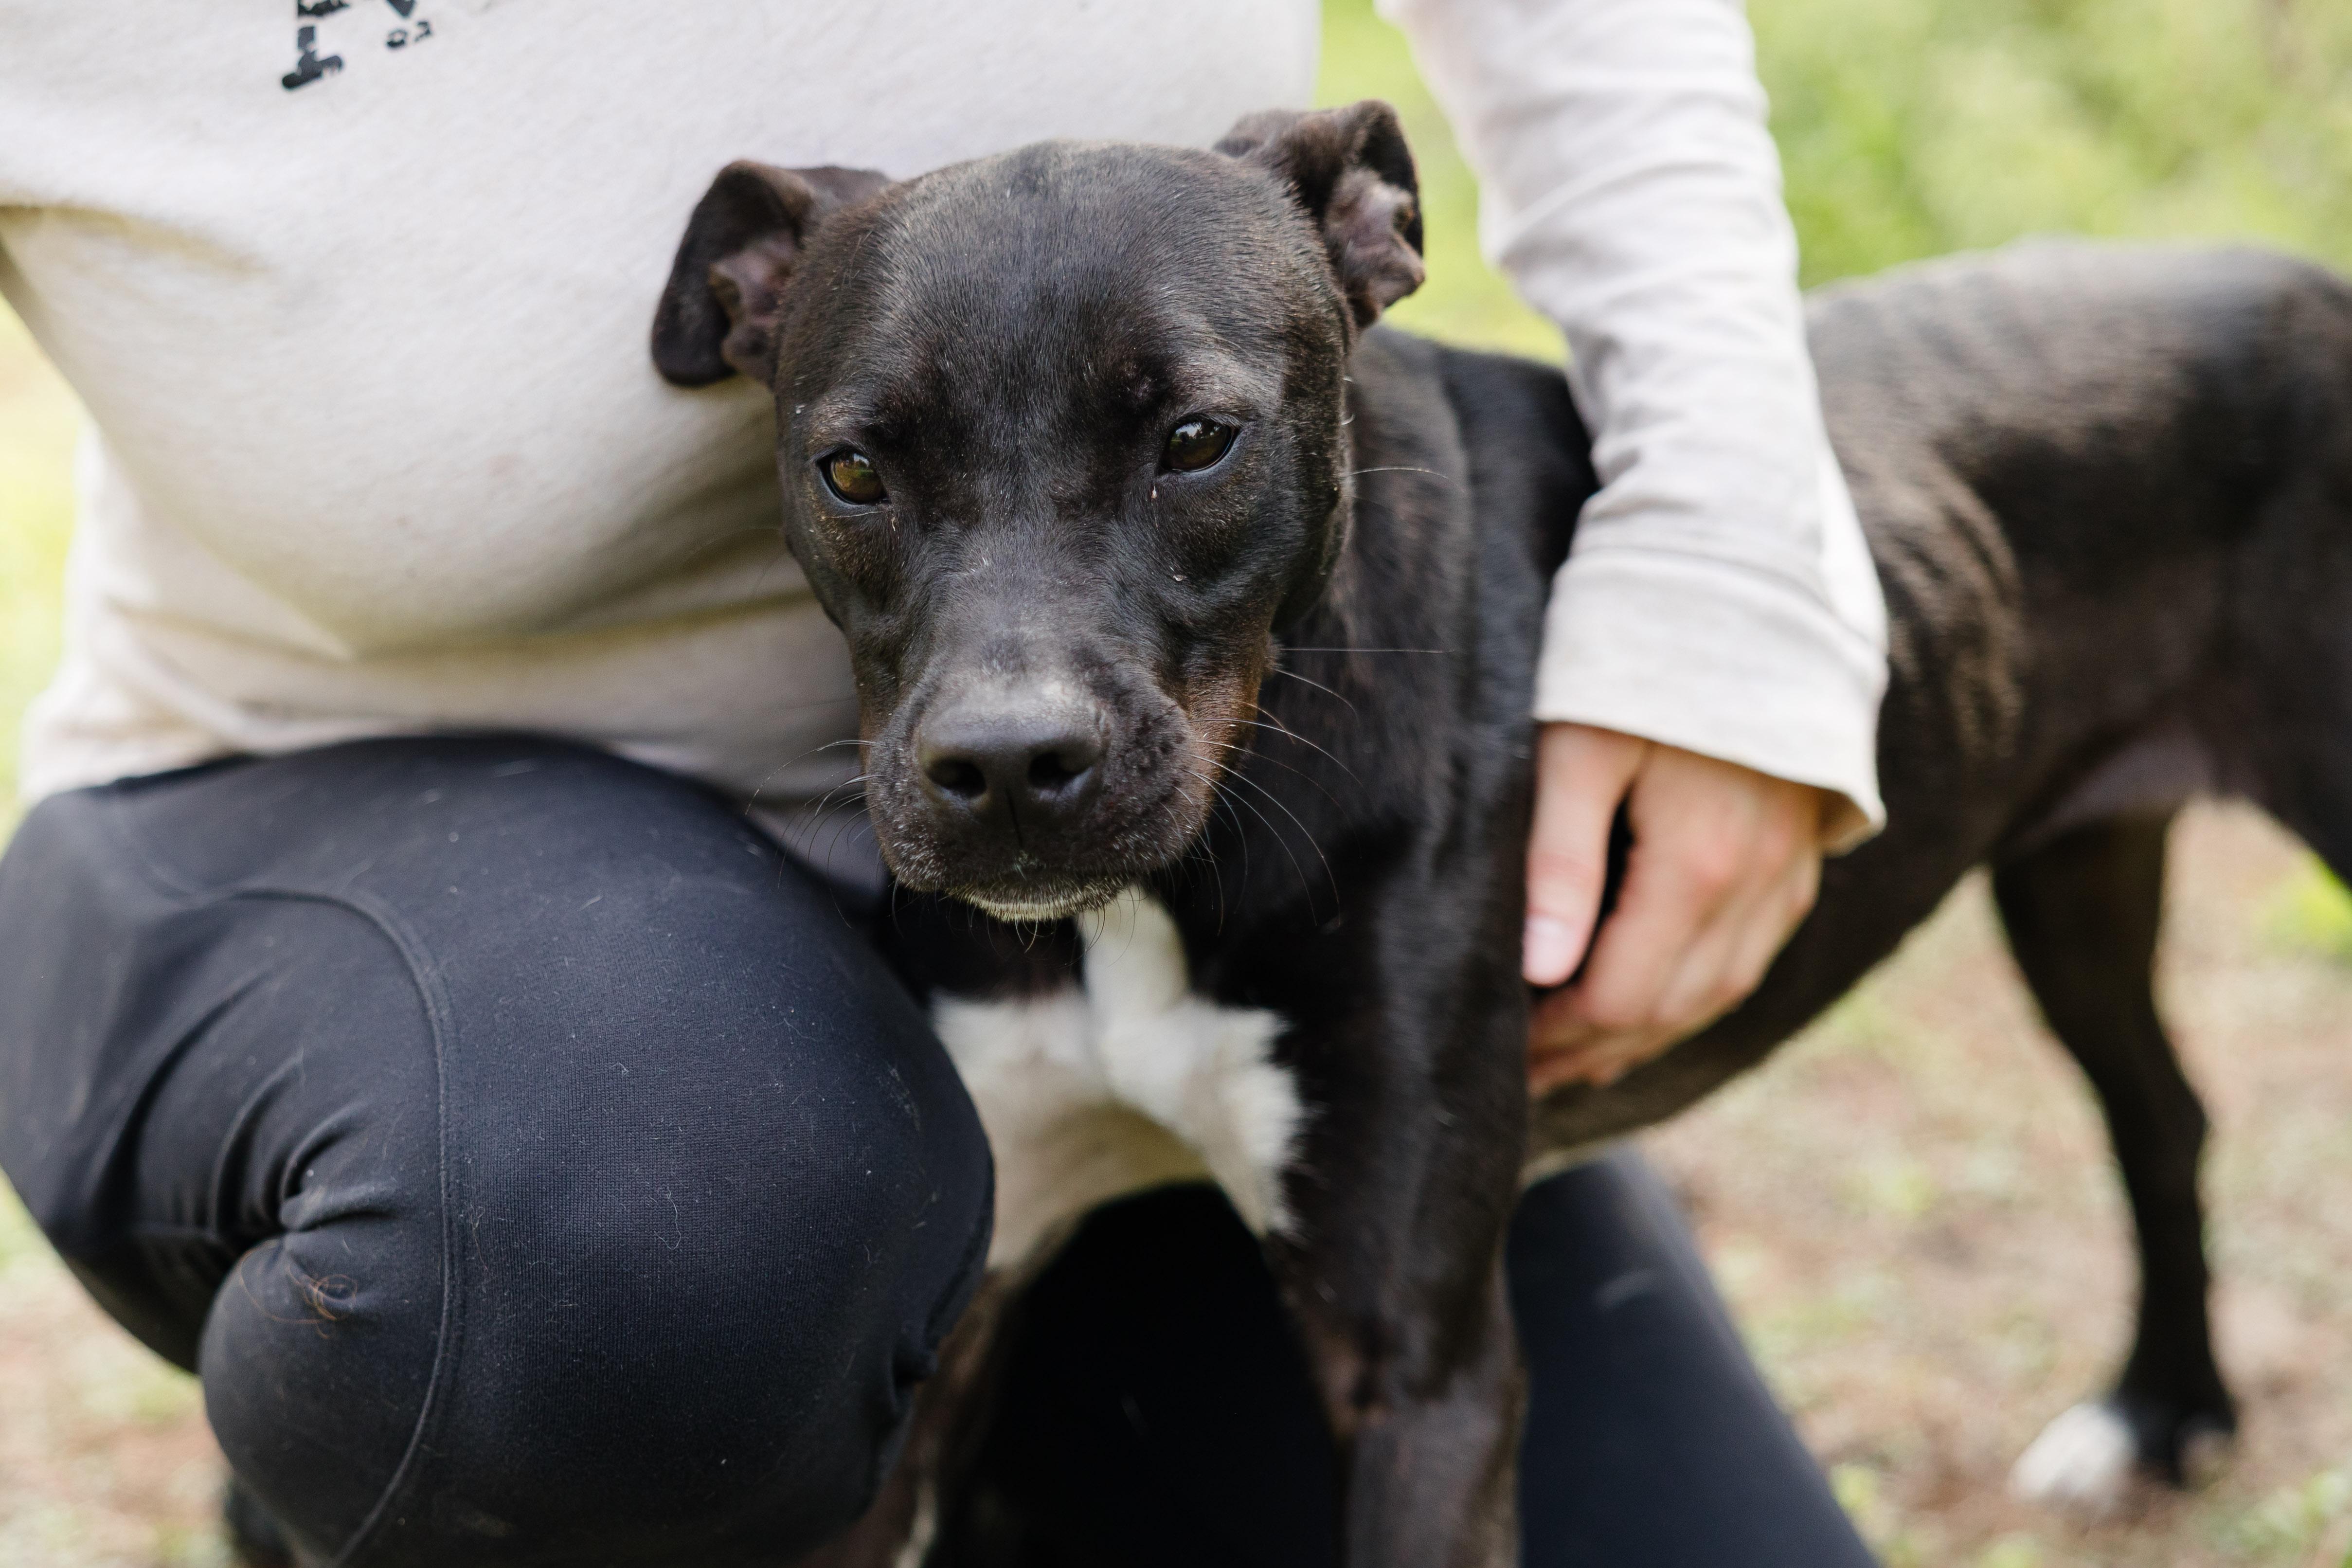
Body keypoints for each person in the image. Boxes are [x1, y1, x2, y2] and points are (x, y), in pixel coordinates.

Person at [0, 1, 1885, 1563]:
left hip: (1164, 887)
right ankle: (424, 1395)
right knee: (614, 1265)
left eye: (1201, 437)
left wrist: (1730, 573)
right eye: (855, 469)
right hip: (357, 847)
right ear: (745, 308)